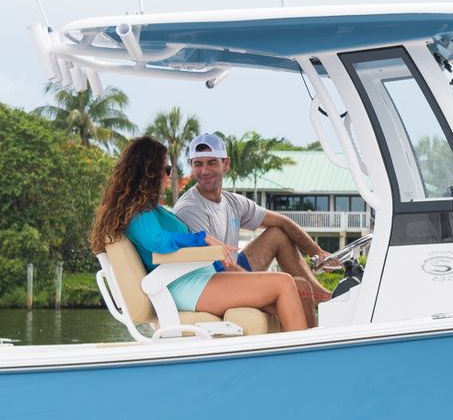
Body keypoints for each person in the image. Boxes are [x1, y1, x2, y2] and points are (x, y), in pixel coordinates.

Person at [91, 136, 309, 334]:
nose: (169, 177)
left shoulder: (150, 209)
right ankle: (306, 364)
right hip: (185, 284)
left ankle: (299, 358)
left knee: (295, 292)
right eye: (166, 170)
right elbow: (159, 241)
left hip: (197, 278)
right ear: (149, 172)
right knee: (283, 283)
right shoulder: (138, 212)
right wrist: (201, 238)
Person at [174, 133, 333, 310]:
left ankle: (325, 298)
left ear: (225, 164)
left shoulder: (233, 201)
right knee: (299, 288)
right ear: (191, 167)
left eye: (211, 162)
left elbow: (283, 222)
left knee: (277, 234)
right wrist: (259, 286)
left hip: (234, 266)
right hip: (214, 280)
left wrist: (318, 253)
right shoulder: (189, 208)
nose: (204, 171)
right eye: (198, 164)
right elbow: (219, 266)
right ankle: (312, 331)